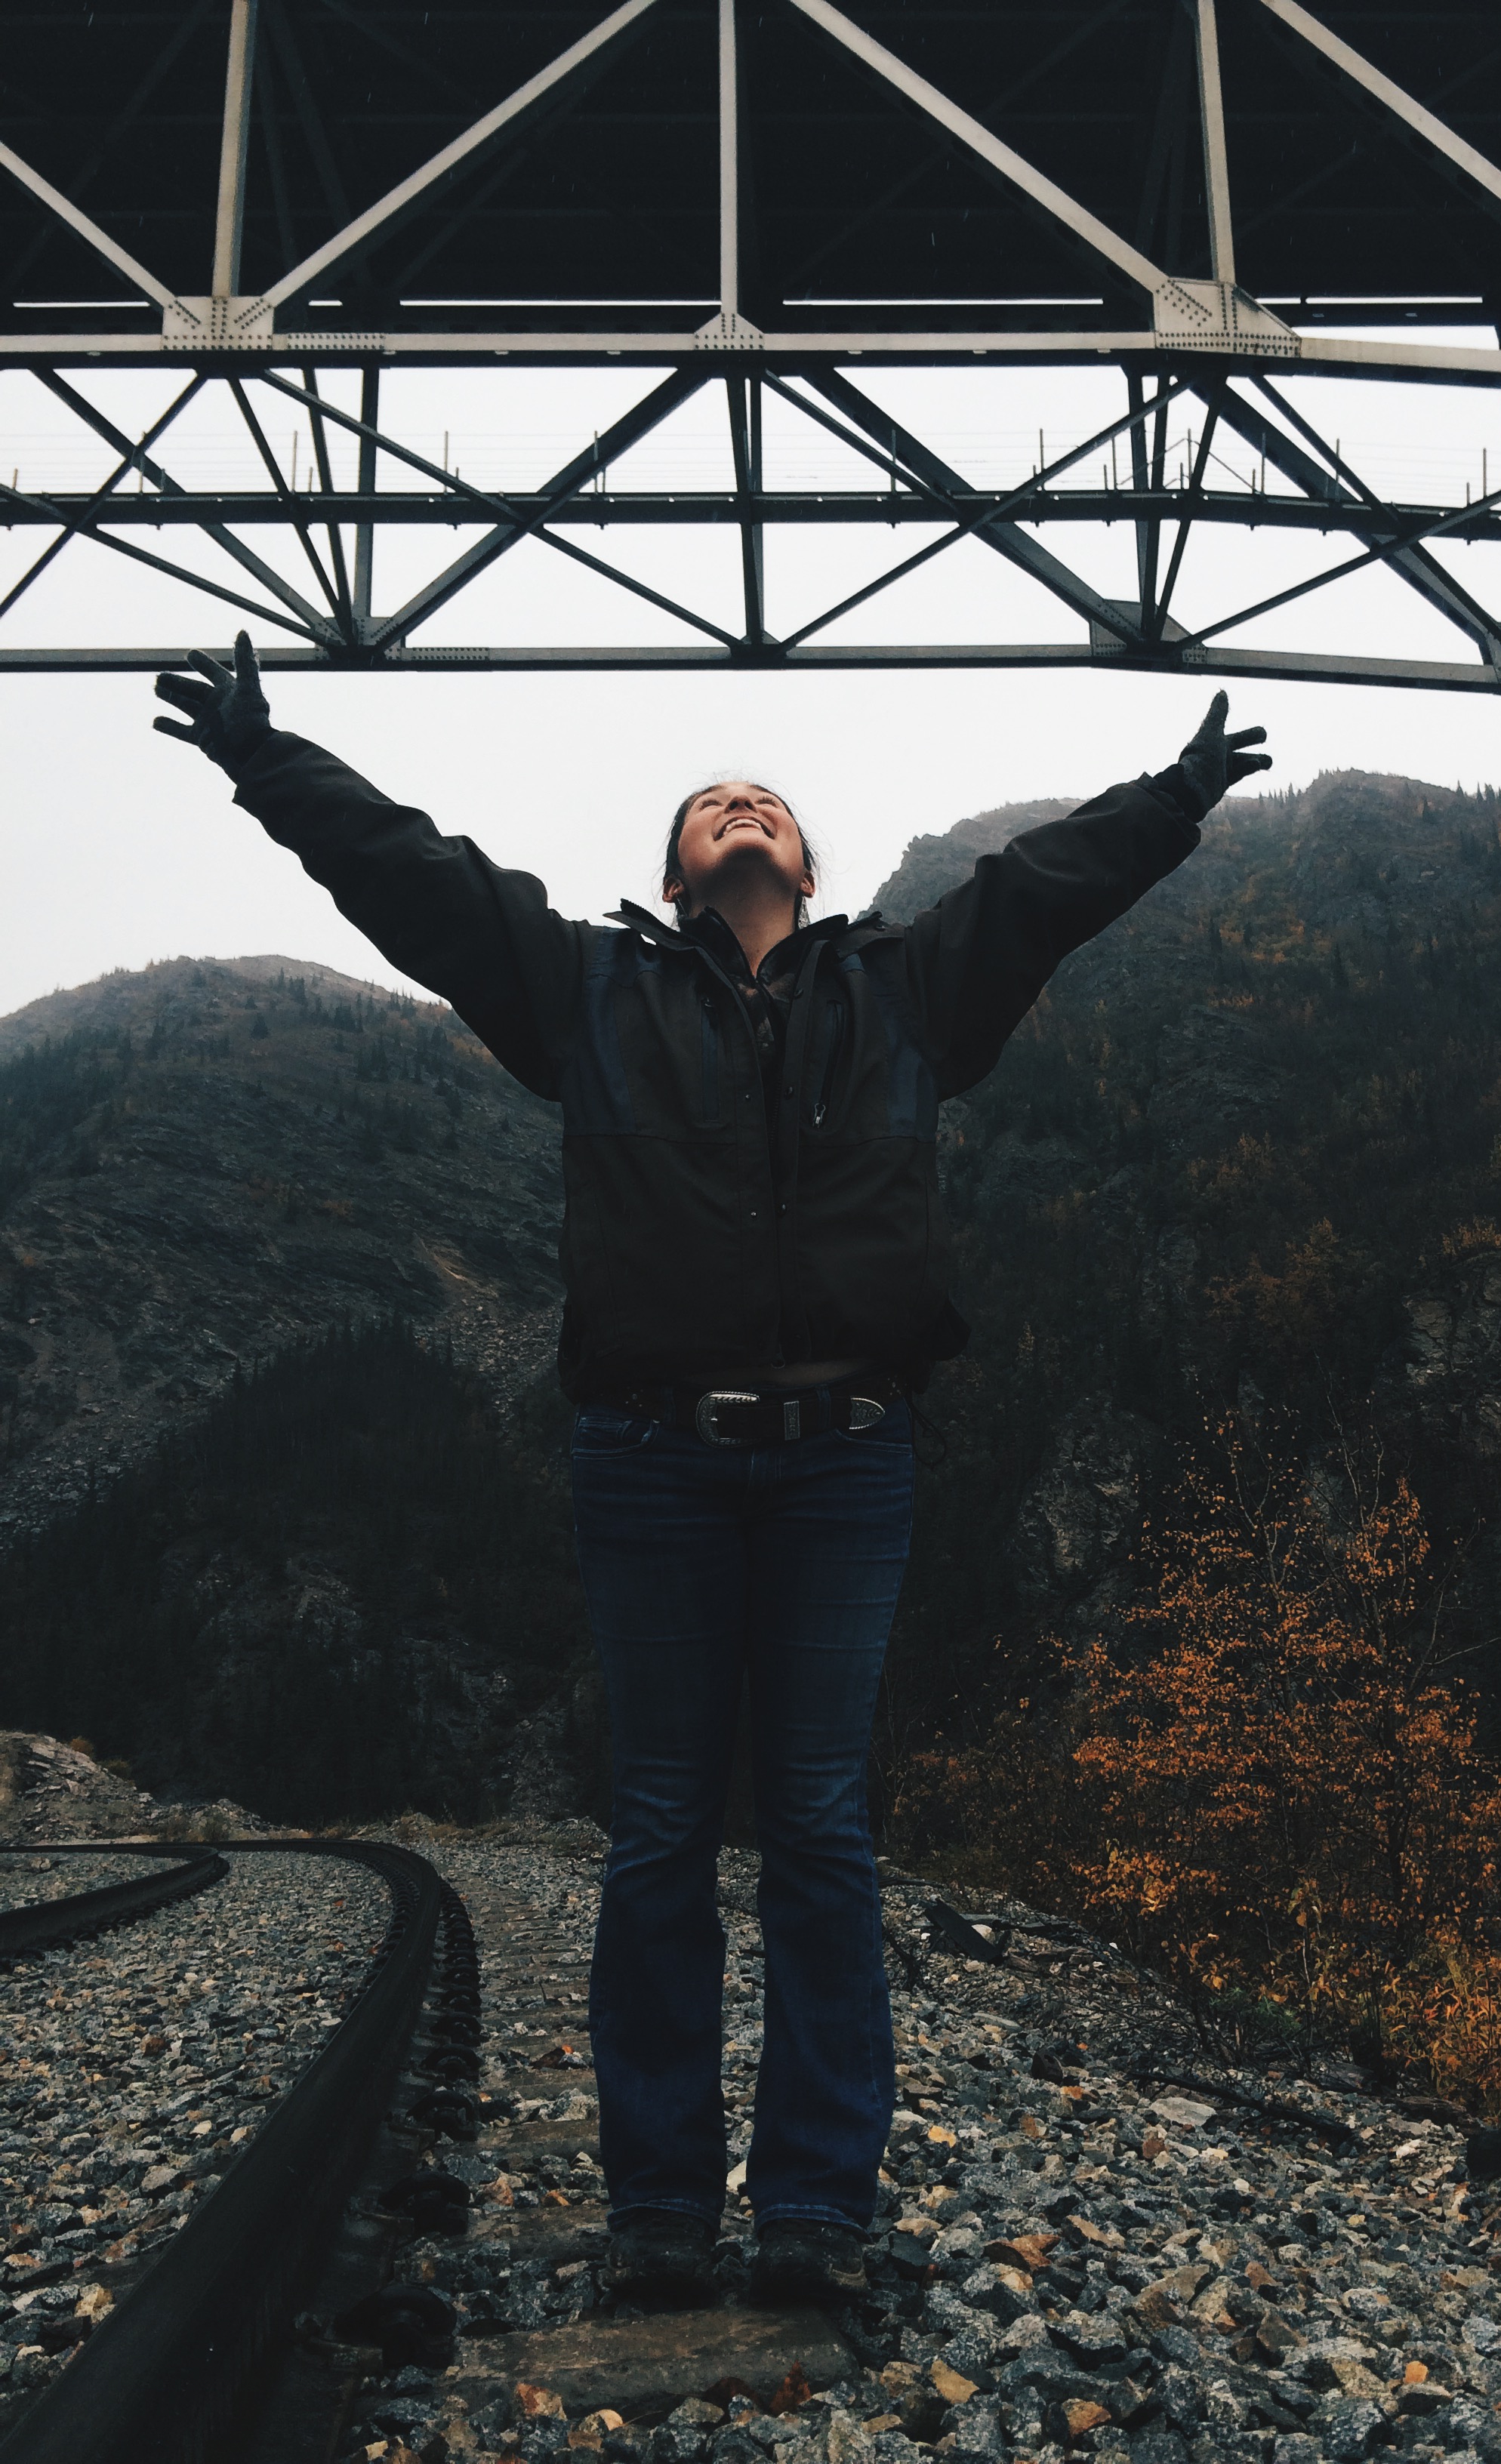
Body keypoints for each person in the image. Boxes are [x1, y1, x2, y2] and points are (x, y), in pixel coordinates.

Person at [152, 637, 1270, 2307]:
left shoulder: (901, 989)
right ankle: (660, 2212)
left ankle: (816, 2211)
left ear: (806, 866)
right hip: (652, 1463)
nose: (741, 811)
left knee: (821, 1831)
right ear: (676, 867)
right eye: (709, 806)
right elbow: (419, 878)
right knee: (662, 1832)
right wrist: (265, 755)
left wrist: (1173, 800)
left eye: (767, 803)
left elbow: (1038, 892)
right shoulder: (587, 994)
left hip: (847, 1461)